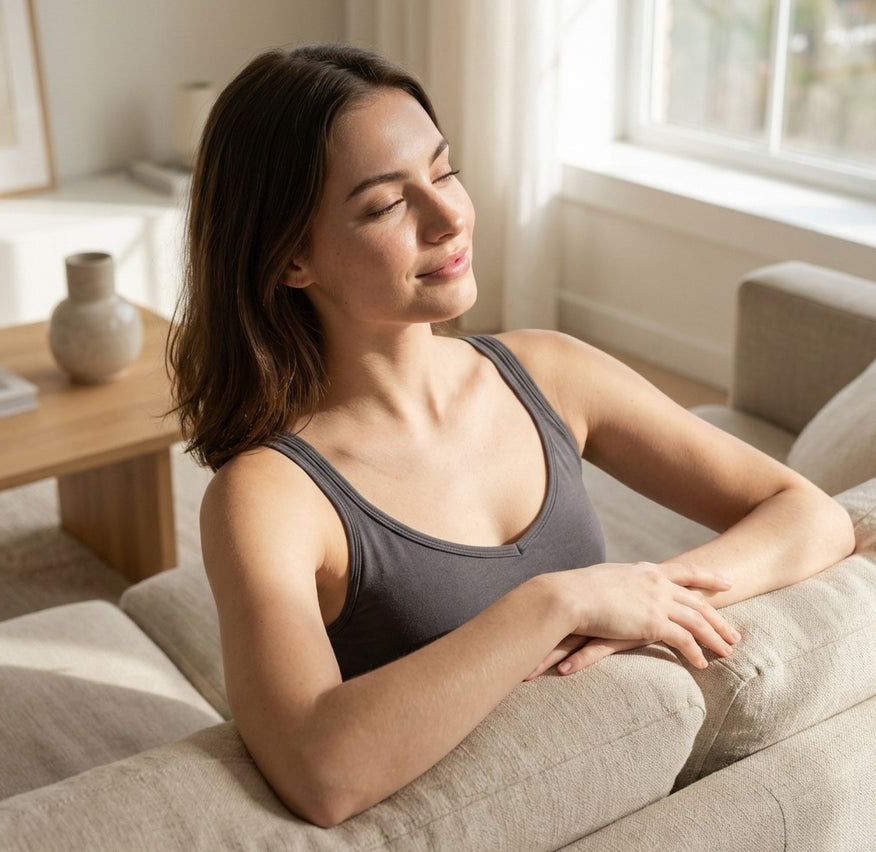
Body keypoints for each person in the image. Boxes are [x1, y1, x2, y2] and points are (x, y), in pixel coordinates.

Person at [168, 43, 856, 827]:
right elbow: (319, 770)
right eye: (387, 205)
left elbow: (814, 516)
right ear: (291, 257)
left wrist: (647, 598)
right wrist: (559, 602)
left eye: (444, 171)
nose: (449, 216)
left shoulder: (548, 370)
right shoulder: (268, 497)